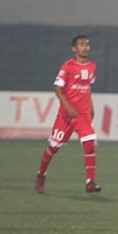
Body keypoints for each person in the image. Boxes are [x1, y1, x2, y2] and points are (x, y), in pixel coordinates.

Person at [35, 34, 101, 193]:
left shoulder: (92, 67)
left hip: (83, 114)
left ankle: (90, 182)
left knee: (90, 144)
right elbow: (58, 89)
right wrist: (68, 106)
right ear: (74, 49)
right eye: (81, 44)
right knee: (53, 147)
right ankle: (41, 174)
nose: (85, 47)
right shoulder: (67, 67)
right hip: (66, 114)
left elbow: (87, 87)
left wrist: (91, 106)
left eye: (87, 44)